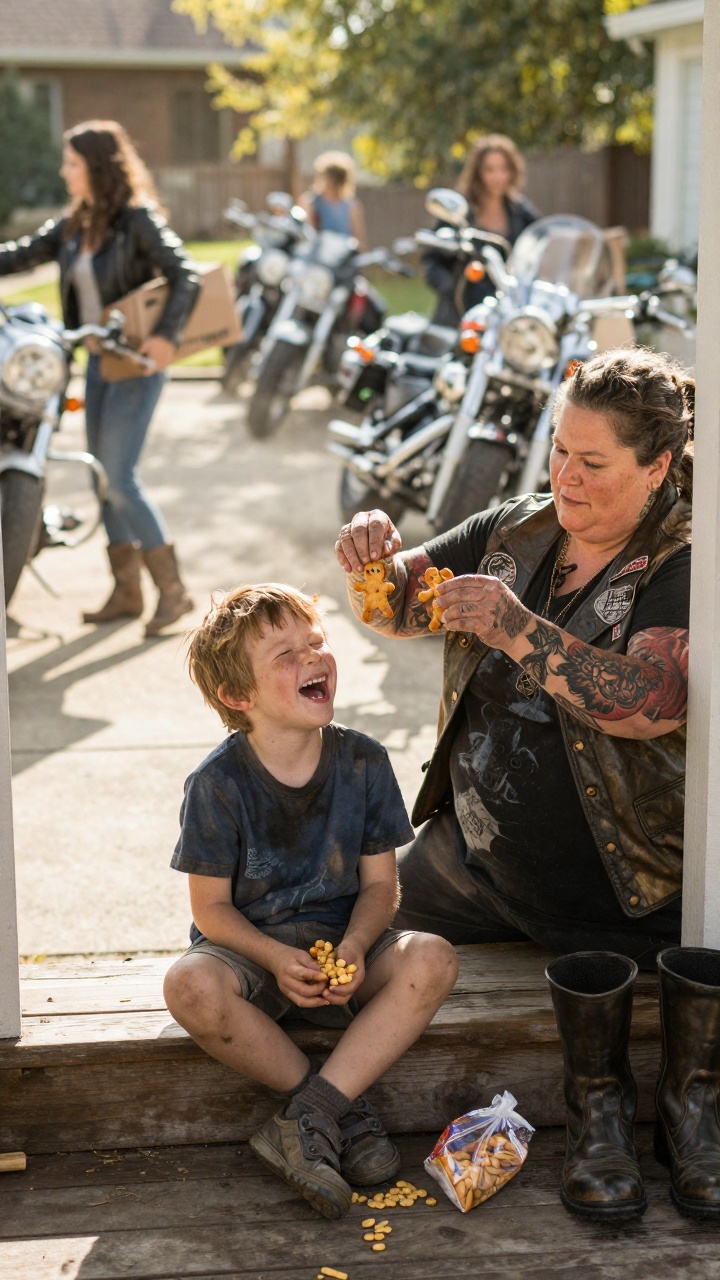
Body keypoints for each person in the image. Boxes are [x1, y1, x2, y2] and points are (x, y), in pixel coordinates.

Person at [334, 346, 713, 1221]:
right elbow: (398, 606)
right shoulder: (518, 529)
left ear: (657, 467)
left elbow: (651, 701)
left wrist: (518, 630)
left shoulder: (687, 558)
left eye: (593, 463)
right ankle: (324, 1110)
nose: (566, 478)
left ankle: (647, 1123)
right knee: (324, 927)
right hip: (473, 863)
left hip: (621, 888)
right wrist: (369, 558)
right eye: (559, 451)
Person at [163, 583, 457, 1219]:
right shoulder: (216, 784)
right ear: (237, 696)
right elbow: (210, 911)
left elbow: (380, 886)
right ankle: (337, 1111)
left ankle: (310, 1115)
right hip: (252, 954)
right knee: (189, 986)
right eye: (286, 654)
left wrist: (355, 945)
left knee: (432, 957)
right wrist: (273, 957)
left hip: (346, 949)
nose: (313, 657)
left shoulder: (364, 761)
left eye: (317, 642)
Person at [0, 119, 199, 636]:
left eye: (72, 163)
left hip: (136, 364)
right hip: (97, 365)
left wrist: (167, 337)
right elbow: (20, 255)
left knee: (120, 476)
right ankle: (127, 591)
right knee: (102, 478)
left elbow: (186, 275)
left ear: (96, 166)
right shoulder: (76, 223)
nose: (64, 172)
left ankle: (173, 591)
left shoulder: (137, 220)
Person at [422, 133, 539, 325]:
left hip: (508, 313)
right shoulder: (460, 212)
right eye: (490, 170)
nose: (498, 177)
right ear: (478, 173)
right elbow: (432, 261)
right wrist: (454, 289)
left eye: (503, 169)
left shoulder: (520, 212)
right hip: (462, 314)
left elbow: (541, 244)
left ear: (512, 171)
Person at [300, 151, 368, 251]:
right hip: (319, 253)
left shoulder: (351, 206)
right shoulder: (311, 202)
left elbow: (359, 238)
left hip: (343, 254)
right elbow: (307, 232)